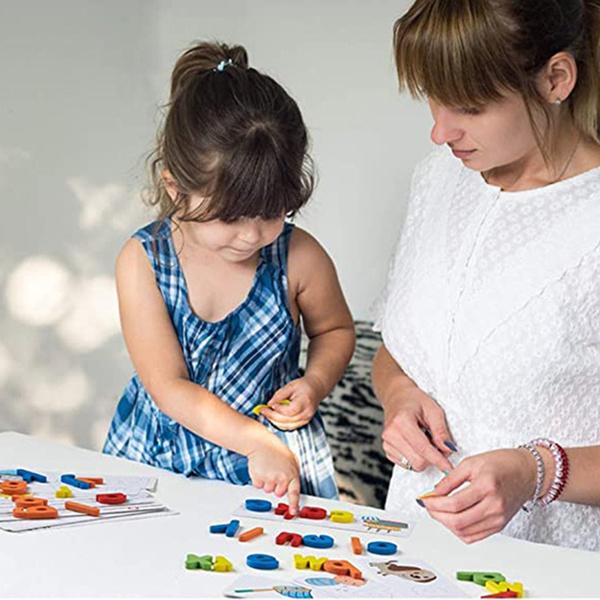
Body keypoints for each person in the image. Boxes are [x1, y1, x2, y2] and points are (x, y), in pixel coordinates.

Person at [373, 0, 600, 550]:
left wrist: (537, 471)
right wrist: (400, 396)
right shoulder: (438, 182)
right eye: (433, 98)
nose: (440, 131)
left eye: (469, 105)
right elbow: (398, 348)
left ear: (556, 79)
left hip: (558, 565)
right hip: (413, 549)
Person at [103, 41, 355, 514]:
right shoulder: (144, 261)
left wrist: (315, 383)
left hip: (273, 471)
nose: (251, 235)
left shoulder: (299, 257)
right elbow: (169, 386)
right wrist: (256, 441)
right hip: (159, 459)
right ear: (175, 187)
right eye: (231, 216)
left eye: (271, 212)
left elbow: (335, 329)